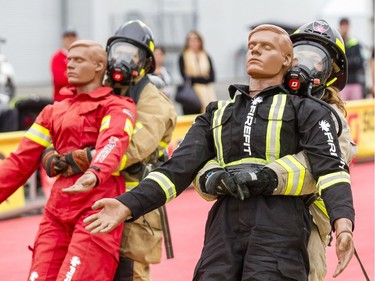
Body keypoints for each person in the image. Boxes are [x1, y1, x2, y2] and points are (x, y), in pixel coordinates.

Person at [74, 24, 354, 281]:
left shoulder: (311, 111)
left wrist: (343, 225)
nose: (255, 49)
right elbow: (175, 170)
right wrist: (127, 205)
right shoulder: (217, 113)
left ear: (286, 59)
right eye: (251, 45)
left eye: (266, 46)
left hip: (282, 226)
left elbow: (330, 170)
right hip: (224, 227)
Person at [194, 19, 357, 281]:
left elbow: (327, 163)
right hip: (244, 219)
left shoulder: (332, 117)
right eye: (299, 54)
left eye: (317, 60)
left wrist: (265, 175)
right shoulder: (257, 103)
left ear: (330, 74)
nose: (303, 64)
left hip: (304, 220)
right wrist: (214, 175)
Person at [41, 20, 177, 281]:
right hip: (92, 201)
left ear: (146, 63)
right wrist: (50, 151)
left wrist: (76, 160)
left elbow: (130, 148)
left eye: (131, 55)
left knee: (129, 273)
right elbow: (66, 122)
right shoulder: (101, 90)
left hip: (133, 205)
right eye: (117, 52)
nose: (121, 60)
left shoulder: (155, 103)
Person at [0, 40, 137, 280]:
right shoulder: (52, 111)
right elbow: (20, 161)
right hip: (57, 208)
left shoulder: (116, 106)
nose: (69, 65)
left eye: (78, 60)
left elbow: (113, 142)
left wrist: (94, 173)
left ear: (98, 66)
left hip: (97, 209)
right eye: (69, 60)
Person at [178, 30, 217, 114]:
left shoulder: (206, 56)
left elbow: (212, 77)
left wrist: (195, 79)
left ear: (200, 41)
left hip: (208, 92)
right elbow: (186, 78)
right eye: (191, 40)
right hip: (191, 96)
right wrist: (203, 78)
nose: (194, 42)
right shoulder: (183, 57)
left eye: (196, 40)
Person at [338, 18, 366, 100]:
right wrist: (352, 61)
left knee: (357, 108)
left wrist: (345, 63)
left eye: (346, 25)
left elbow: (360, 62)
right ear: (340, 27)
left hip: (355, 82)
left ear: (349, 27)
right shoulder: (339, 43)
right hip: (342, 84)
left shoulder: (355, 43)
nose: (344, 28)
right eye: (343, 25)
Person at [50, 29, 78, 102]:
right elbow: (60, 80)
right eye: (67, 36)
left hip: (78, 99)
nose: (70, 39)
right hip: (62, 100)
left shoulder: (81, 56)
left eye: (73, 36)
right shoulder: (57, 57)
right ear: (62, 39)